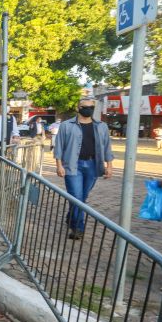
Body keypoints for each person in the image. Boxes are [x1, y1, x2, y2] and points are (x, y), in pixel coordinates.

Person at [54, 97, 114, 240]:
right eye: (84, 106)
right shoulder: (66, 125)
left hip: (93, 165)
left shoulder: (101, 126)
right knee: (76, 197)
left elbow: (107, 147)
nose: (88, 109)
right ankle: (78, 228)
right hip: (73, 166)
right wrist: (59, 165)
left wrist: (109, 166)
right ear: (78, 108)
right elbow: (59, 146)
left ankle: (71, 217)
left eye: (91, 107)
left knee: (82, 197)